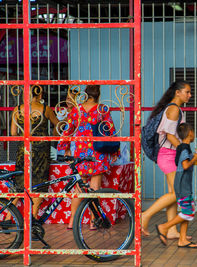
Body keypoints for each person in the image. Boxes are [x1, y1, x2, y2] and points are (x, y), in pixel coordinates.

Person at [57, 85, 119, 230]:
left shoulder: (76, 109)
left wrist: (64, 148)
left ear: (85, 94)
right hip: (97, 153)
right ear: (98, 94)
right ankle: (93, 221)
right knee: (94, 188)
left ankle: (72, 220)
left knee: (78, 188)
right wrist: (115, 152)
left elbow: (68, 130)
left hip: (80, 152)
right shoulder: (102, 109)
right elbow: (110, 129)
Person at [142, 80, 192, 239]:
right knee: (177, 193)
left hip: (168, 154)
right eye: (187, 92)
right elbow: (170, 135)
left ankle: (171, 231)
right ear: (178, 92)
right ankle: (145, 215)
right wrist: (184, 148)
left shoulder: (174, 108)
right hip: (167, 155)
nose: (189, 95)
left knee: (173, 192)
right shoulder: (174, 109)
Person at [10, 87, 59, 219]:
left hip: (24, 149)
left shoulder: (18, 109)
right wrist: (53, 135)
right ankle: (33, 216)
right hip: (41, 150)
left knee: (20, 182)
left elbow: (13, 133)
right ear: (41, 94)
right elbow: (58, 125)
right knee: (39, 182)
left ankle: (9, 217)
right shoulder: (46, 109)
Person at [155, 123, 197, 248]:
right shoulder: (184, 148)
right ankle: (164, 227)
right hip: (182, 185)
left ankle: (182, 239)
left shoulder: (183, 147)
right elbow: (186, 165)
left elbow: (185, 163)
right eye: (193, 131)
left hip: (185, 184)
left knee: (188, 208)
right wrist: (195, 158)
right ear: (190, 133)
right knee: (188, 212)